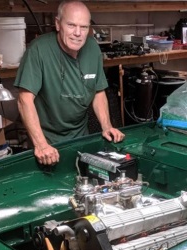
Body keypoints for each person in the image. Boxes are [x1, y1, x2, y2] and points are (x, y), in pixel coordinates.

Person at [14, 0, 124, 165]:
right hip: (47, 140)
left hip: (81, 137)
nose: (78, 33)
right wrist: (41, 145)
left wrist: (106, 126)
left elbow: (98, 91)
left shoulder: (93, 48)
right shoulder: (38, 50)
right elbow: (24, 100)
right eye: (71, 25)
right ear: (58, 24)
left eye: (84, 27)